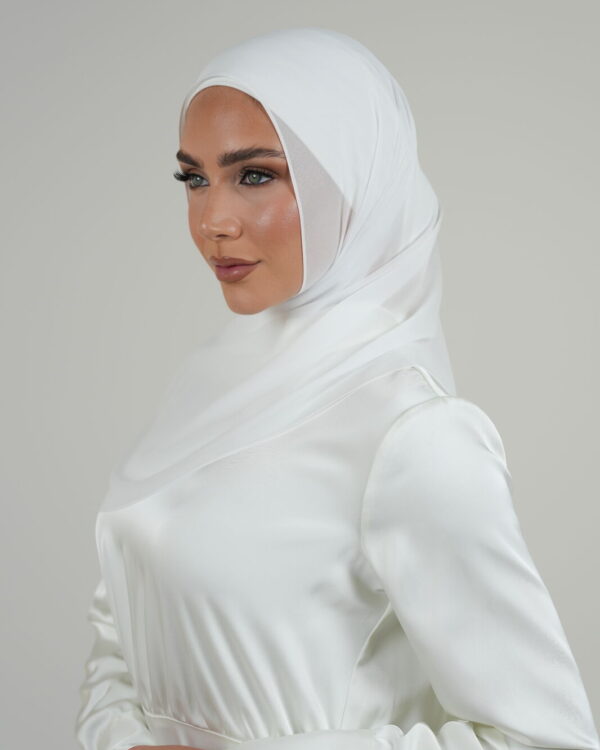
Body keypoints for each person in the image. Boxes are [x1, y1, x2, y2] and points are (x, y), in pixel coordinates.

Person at [74, 26, 599, 750]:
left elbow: (545, 739)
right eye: (194, 179)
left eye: (255, 175)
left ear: (355, 181)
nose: (211, 221)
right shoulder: (207, 391)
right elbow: (119, 627)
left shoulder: (414, 434)